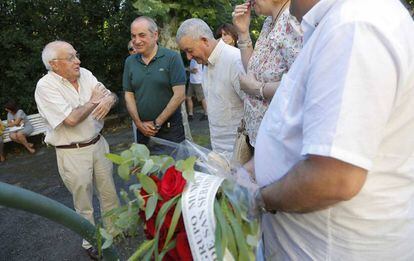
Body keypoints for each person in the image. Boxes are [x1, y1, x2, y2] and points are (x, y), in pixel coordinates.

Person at [247, 0, 414, 259]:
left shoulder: (354, 24)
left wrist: (259, 199)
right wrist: (251, 170)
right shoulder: (338, 22)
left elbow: (335, 178)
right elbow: (300, 130)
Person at [34, 40, 120, 260]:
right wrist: (93, 101)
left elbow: (109, 94)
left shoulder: (85, 74)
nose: (78, 61)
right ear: (54, 64)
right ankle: (91, 241)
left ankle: (114, 232)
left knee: (109, 192)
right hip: (72, 152)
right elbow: (71, 119)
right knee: (84, 203)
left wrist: (109, 99)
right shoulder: (45, 87)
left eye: (76, 55)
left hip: (98, 143)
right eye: (70, 57)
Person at [232, 0, 302, 150]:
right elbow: (253, 70)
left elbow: (302, 84)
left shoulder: (293, 21)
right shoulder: (269, 22)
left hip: (281, 144)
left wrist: (258, 89)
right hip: (259, 138)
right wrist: (243, 32)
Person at [177, 18, 245, 159]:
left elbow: (256, 113)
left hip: (243, 157)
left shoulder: (235, 60)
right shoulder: (206, 64)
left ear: (204, 40)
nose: (188, 57)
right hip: (220, 154)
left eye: (189, 50)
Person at [123, 16, 187, 147]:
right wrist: (139, 124)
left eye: (142, 35)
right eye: (133, 36)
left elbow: (180, 95)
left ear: (155, 35)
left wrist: (156, 123)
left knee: (173, 167)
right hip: (142, 130)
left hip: (170, 129)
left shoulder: (172, 58)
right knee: (147, 167)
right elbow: (128, 95)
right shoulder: (130, 62)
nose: (136, 41)